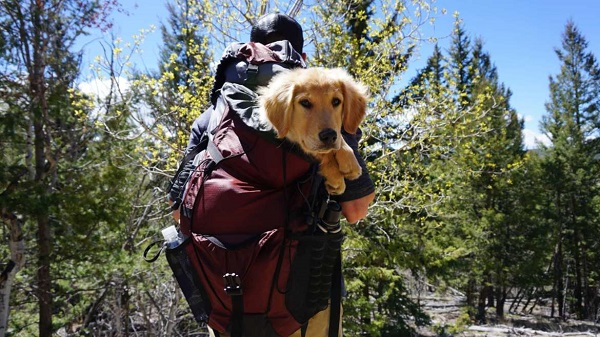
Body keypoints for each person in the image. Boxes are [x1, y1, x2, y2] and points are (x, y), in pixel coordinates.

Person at [170, 13, 375, 337]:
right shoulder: (326, 111)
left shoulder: (212, 117)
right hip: (304, 298)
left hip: (226, 301)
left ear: (252, 50)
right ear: (302, 59)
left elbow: (179, 207)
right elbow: (356, 209)